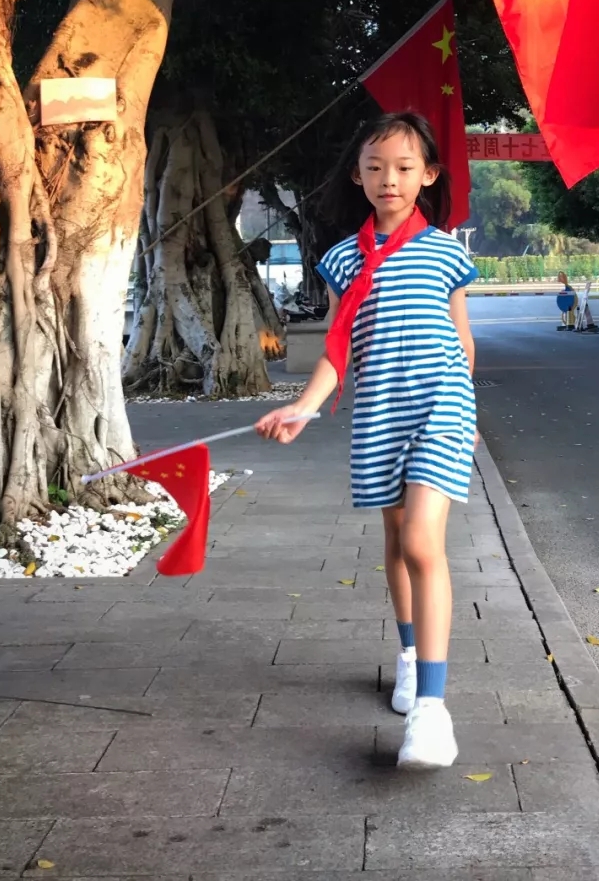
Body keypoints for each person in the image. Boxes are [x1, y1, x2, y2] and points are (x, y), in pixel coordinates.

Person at [256, 111, 478, 770]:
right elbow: (337, 345)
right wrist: (304, 406)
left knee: (421, 541)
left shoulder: (446, 252)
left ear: (428, 175)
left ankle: (432, 711)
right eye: (376, 167)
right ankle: (409, 656)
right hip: (379, 413)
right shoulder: (343, 259)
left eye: (405, 167)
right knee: (396, 538)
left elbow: (463, 339)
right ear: (357, 176)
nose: (390, 179)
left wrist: (465, 411)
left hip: (441, 408)